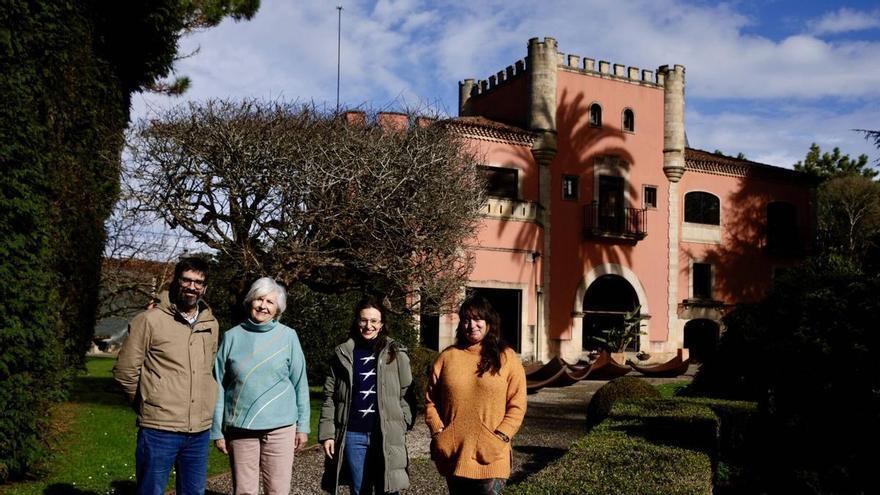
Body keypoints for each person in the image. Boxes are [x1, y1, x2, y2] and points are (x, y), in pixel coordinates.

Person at [113, 257, 220, 495]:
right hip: (159, 430)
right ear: (176, 281)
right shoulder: (149, 320)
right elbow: (125, 372)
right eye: (187, 280)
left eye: (198, 282)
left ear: (205, 287)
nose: (192, 287)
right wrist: (146, 403)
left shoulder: (211, 324)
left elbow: (207, 370)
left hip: (199, 431)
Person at [211, 277, 310, 495]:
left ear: (278, 309)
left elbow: (299, 382)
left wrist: (303, 426)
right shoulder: (232, 337)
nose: (263, 306)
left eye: (270, 302)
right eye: (259, 299)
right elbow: (217, 384)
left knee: (278, 489)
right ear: (250, 301)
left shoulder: (288, 337)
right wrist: (217, 430)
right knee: (244, 490)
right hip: (240, 427)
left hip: (281, 428)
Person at [424, 295, 527, 495]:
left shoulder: (507, 357)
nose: (472, 325)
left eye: (478, 319)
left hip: (492, 458)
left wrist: (499, 437)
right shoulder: (447, 357)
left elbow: (518, 404)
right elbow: (430, 402)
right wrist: (439, 433)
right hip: (454, 454)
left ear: (489, 322)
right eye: (466, 319)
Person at [319, 296, 415, 495]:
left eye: (374, 321)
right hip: (353, 434)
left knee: (388, 489)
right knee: (359, 490)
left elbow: (407, 393)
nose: (368, 326)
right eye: (364, 320)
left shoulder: (396, 353)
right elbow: (329, 397)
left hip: (386, 434)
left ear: (381, 324)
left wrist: (403, 422)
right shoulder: (343, 353)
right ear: (357, 321)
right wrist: (328, 433)